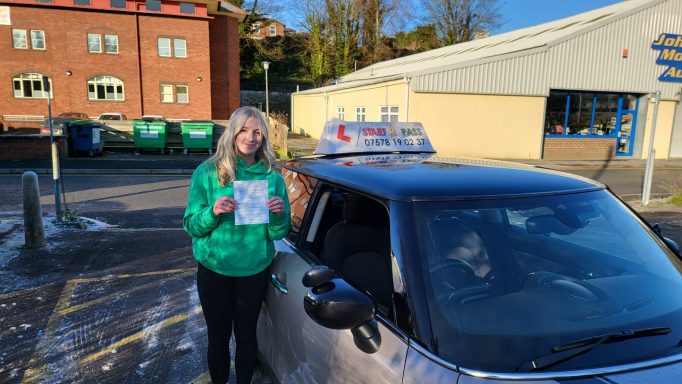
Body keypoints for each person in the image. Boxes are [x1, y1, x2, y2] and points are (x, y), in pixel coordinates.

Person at [183, 106, 290, 384]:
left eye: (257, 131)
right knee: (217, 338)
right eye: (244, 130)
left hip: (253, 270)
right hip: (215, 269)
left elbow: (277, 232)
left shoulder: (272, 178)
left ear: (264, 137)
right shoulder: (208, 172)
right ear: (232, 132)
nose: (250, 137)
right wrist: (212, 212)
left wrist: (278, 215)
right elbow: (191, 225)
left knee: (246, 337)